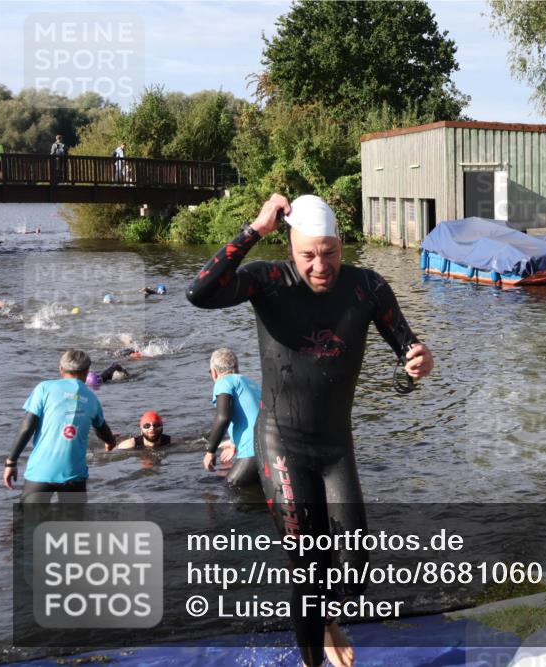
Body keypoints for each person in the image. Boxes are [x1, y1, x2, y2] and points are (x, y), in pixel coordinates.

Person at [187, 193, 433, 667]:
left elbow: (407, 350)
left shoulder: (367, 288)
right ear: (291, 248)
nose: (321, 265)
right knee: (307, 570)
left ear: (341, 244)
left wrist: (418, 362)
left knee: (356, 568)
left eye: (331, 252)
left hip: (336, 447)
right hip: (282, 446)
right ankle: (311, 659)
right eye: (308, 255)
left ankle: (327, 619)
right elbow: (199, 293)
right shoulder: (269, 280)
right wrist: (254, 231)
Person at [3, 349, 117, 502]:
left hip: (41, 472)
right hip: (74, 475)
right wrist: (110, 442)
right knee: (71, 525)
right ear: (87, 371)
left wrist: (11, 462)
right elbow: (102, 429)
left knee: (26, 523)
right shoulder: (92, 399)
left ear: (61, 369)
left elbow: (27, 427)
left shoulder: (44, 389)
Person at [202, 348, 261, 487]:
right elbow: (252, 414)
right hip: (268, 446)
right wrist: (234, 443)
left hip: (252, 450)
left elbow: (223, 417)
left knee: (230, 489)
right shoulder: (250, 382)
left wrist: (210, 451)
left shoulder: (223, 382)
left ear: (215, 372)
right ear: (237, 367)